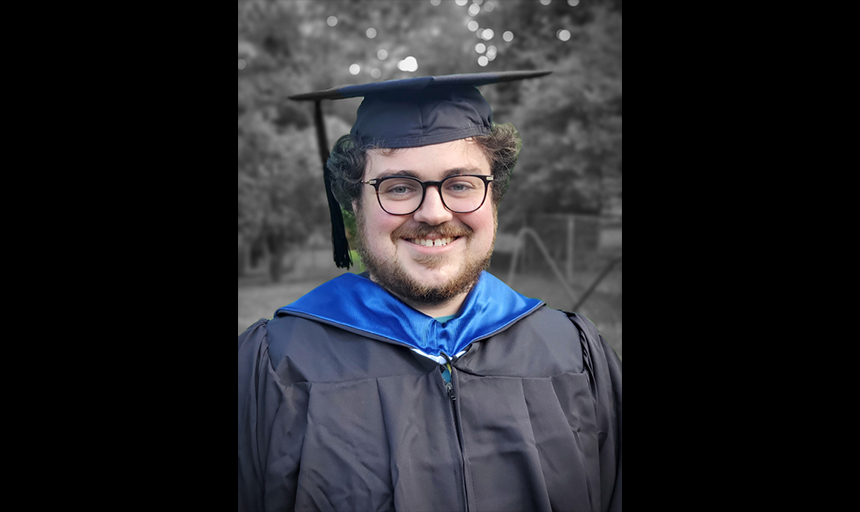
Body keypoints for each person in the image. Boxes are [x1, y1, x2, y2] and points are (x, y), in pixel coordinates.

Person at [238, 71, 622, 512]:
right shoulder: (273, 366)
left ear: (493, 198)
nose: (434, 213)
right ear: (354, 204)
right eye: (399, 187)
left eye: (461, 185)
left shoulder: (574, 354)